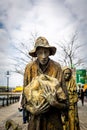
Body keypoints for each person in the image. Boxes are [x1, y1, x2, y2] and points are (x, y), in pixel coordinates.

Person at [23, 36, 69, 130]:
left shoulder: (57, 67)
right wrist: (32, 110)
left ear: (49, 52)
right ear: (36, 53)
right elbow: (25, 99)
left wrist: (55, 103)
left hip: (53, 120)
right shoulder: (29, 68)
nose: (43, 56)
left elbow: (66, 103)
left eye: (46, 52)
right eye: (40, 53)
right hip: (35, 120)